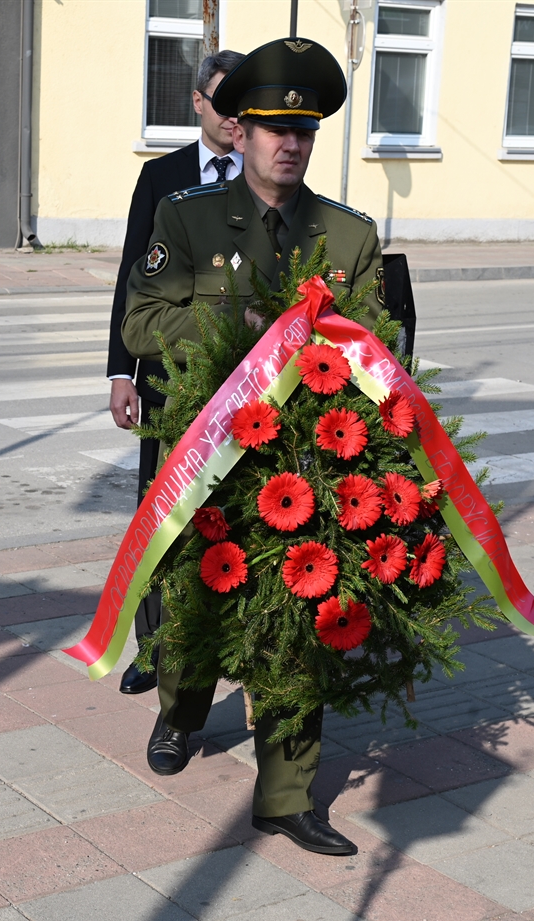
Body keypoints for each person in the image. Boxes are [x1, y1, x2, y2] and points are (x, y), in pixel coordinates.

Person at [121, 37, 385, 857]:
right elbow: (141, 321)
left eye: (303, 130)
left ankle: (286, 796)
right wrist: (235, 322)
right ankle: (180, 711)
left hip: (303, 466)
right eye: (275, 127)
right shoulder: (188, 217)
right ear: (240, 131)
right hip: (207, 456)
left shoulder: (348, 237)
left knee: (296, 624)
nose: (290, 143)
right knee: (194, 606)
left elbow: (380, 350)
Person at [109, 49, 246, 696]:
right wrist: (121, 373)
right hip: (167, 379)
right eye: (223, 102)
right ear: (197, 102)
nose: (234, 116)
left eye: (245, 105)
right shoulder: (160, 176)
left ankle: (221, 645)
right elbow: (131, 277)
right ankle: (151, 648)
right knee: (157, 513)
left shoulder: (266, 179)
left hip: (243, 383)